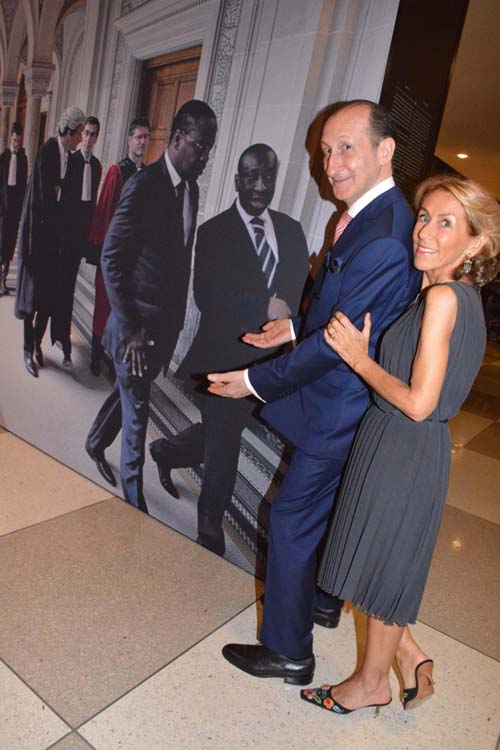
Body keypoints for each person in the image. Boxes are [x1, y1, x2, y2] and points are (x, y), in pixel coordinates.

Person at [207, 100, 421, 685]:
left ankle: (287, 651)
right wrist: (294, 327)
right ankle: (323, 601)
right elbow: (350, 314)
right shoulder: (363, 218)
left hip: (341, 409)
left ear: (385, 151)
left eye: (346, 147)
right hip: (339, 402)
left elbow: (339, 346)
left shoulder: (383, 235)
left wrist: (252, 379)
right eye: (326, 150)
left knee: (292, 519)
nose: (331, 162)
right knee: (317, 514)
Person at [301, 175, 500, 714]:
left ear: (476, 243)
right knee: (381, 561)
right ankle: (407, 657)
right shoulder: (454, 297)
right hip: (404, 446)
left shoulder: (441, 298)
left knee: (381, 564)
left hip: (404, 444)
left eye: (445, 223)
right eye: (422, 217)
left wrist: (359, 358)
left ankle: (370, 685)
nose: (424, 232)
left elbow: (418, 402)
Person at [149, 143, 309, 556]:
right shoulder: (214, 232)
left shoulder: (291, 230)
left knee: (224, 433)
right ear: (237, 180)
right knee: (224, 442)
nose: (259, 185)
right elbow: (207, 295)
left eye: (267, 177)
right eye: (251, 176)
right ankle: (208, 530)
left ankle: (165, 452)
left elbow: (294, 289)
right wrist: (262, 308)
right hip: (222, 357)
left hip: (269, 364)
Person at [85, 100, 217, 514]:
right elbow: (111, 258)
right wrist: (133, 328)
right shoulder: (143, 185)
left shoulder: (191, 190)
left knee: (130, 394)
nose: (205, 157)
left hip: (163, 327)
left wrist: (175, 325)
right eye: (199, 147)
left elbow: (178, 262)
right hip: (134, 329)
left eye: (210, 149)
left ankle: (92, 442)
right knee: (139, 412)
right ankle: (133, 503)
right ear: (177, 139)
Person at [15, 105, 85, 377]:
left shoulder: (67, 155)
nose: (81, 138)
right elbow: (42, 203)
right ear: (71, 130)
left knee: (47, 300)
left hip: (54, 244)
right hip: (38, 242)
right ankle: (26, 349)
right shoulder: (48, 151)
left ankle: (35, 343)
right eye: (80, 132)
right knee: (32, 301)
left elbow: (60, 198)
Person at [88, 117, 150, 376]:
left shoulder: (147, 174)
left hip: (134, 257)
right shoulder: (117, 171)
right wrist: (100, 250)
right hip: (113, 252)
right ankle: (95, 354)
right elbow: (105, 211)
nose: (142, 142)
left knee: (123, 309)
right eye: (138, 137)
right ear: (129, 139)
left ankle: (114, 356)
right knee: (104, 303)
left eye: (146, 137)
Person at [55, 116, 102, 365]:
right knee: (59, 287)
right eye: (86, 133)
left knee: (69, 287)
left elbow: (92, 202)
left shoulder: (96, 166)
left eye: (93, 134)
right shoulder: (70, 161)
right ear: (80, 134)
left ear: (97, 138)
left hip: (80, 238)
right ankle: (59, 336)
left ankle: (63, 335)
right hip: (65, 236)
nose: (88, 139)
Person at [0, 122, 27, 295]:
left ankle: (3, 279)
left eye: (19, 141)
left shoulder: (23, 159)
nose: (17, 143)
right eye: (15, 140)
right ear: (11, 136)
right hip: (2, 207)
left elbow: (23, 185)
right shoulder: (3, 157)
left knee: (9, 245)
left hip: (14, 210)